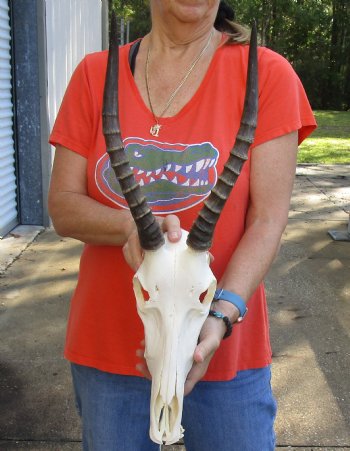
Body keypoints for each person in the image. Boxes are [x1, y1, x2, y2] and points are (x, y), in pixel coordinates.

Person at [48, 1, 316, 450]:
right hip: (111, 349)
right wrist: (130, 228)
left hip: (222, 348)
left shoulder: (265, 74)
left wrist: (220, 318)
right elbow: (62, 205)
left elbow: (268, 219)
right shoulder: (96, 75)